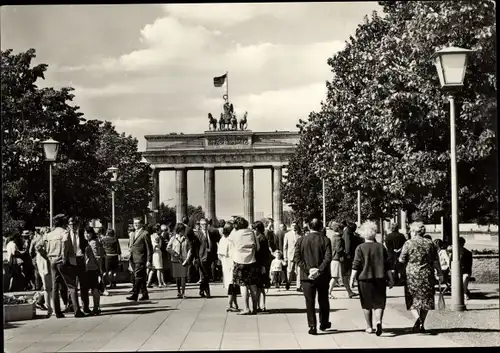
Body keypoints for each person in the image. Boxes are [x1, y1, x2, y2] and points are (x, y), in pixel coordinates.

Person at [350, 221, 393, 336]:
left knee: (366, 304)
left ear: (363, 234)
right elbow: (388, 265)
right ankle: (378, 321)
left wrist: (351, 279)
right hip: (380, 278)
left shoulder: (360, 248)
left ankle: (369, 327)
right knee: (379, 303)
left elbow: (356, 265)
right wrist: (391, 278)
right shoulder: (381, 247)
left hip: (364, 279)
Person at [399, 222, 443, 333]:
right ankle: (422, 323)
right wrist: (440, 272)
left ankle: (417, 319)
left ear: (413, 231)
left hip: (412, 275)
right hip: (427, 274)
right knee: (426, 300)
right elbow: (435, 260)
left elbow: (401, 259)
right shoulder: (430, 243)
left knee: (412, 298)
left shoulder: (408, 243)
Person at [39, 214, 85, 318]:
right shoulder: (64, 233)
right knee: (72, 286)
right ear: (64, 223)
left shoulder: (49, 234)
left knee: (55, 287)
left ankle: (58, 312)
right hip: (62, 261)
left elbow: (38, 246)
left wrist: (47, 256)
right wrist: (64, 257)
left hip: (52, 261)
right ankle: (77, 311)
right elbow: (64, 244)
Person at [293, 218, 332, 335]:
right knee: (323, 299)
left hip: (306, 276)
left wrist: (308, 270)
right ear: (320, 227)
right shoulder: (325, 240)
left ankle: (312, 326)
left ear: (309, 227)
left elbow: (297, 258)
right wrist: (319, 270)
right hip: (322, 275)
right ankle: (323, 322)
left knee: (309, 302)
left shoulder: (301, 240)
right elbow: (328, 257)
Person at [229, 216, 260, 315]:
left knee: (243, 285)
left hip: (239, 261)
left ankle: (246, 308)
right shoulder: (252, 233)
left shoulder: (235, 234)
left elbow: (231, 247)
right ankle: (255, 307)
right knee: (253, 285)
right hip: (252, 261)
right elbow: (257, 247)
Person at [67, 217, 91, 314]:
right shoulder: (66, 234)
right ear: (68, 225)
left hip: (80, 258)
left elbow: (86, 245)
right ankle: (73, 306)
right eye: (71, 224)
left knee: (84, 284)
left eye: (75, 224)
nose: (73, 226)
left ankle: (85, 307)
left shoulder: (81, 233)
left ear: (78, 225)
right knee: (72, 285)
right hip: (71, 259)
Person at [127, 217, 153, 301]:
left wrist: (149, 260)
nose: (135, 225)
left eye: (137, 223)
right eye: (134, 223)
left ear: (141, 224)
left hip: (141, 258)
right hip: (133, 258)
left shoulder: (145, 233)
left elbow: (149, 248)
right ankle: (145, 294)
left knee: (137, 276)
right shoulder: (133, 233)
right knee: (140, 277)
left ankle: (135, 294)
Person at [217, 222, 240, 312]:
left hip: (226, 264)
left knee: (231, 284)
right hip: (231, 263)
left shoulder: (223, 239)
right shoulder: (230, 239)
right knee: (232, 285)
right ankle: (230, 304)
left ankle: (234, 303)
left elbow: (219, 254)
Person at [167, 223, 192, 298]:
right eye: (182, 230)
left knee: (183, 276)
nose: (184, 232)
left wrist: (188, 257)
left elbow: (190, 248)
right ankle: (178, 291)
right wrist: (174, 253)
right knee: (177, 277)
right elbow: (168, 248)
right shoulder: (173, 238)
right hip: (175, 259)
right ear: (179, 230)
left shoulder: (186, 239)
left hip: (184, 259)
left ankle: (183, 292)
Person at [84, 227, 105, 316]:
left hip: (92, 268)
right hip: (91, 268)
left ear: (92, 234)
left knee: (94, 288)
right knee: (94, 288)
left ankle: (96, 307)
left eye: (88, 233)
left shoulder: (93, 243)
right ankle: (96, 307)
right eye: (85, 233)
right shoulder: (92, 242)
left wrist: (100, 269)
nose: (86, 235)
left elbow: (97, 257)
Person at [253, 220, 272, 312]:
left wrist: (263, 266)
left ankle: (260, 305)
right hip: (263, 264)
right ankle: (261, 305)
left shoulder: (260, 238)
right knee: (260, 287)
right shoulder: (262, 237)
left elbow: (262, 254)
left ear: (257, 229)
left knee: (259, 287)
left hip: (260, 265)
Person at [192, 218, 214, 298]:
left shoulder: (210, 233)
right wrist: (196, 258)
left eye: (206, 224)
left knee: (205, 275)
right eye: (203, 224)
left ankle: (201, 290)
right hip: (201, 257)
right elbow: (195, 247)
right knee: (206, 275)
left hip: (209, 256)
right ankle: (207, 292)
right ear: (200, 225)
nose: (205, 226)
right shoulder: (198, 234)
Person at [326, 221, 345, 299]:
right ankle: (328, 292)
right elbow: (338, 249)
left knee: (335, 276)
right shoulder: (338, 238)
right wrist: (343, 252)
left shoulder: (333, 237)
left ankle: (329, 292)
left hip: (333, 258)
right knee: (335, 276)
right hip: (336, 258)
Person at [343, 222, 361, 298]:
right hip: (351, 256)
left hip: (347, 257)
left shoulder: (347, 234)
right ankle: (350, 290)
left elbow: (347, 246)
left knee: (345, 274)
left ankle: (349, 291)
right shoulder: (351, 234)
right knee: (348, 274)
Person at [284, 221, 302, 291]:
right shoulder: (287, 234)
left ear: (297, 226)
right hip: (290, 255)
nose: (294, 227)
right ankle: (288, 282)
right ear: (291, 226)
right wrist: (285, 256)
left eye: (295, 225)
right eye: (293, 225)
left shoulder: (300, 235)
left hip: (298, 256)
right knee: (290, 270)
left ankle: (298, 286)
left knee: (298, 271)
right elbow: (285, 247)